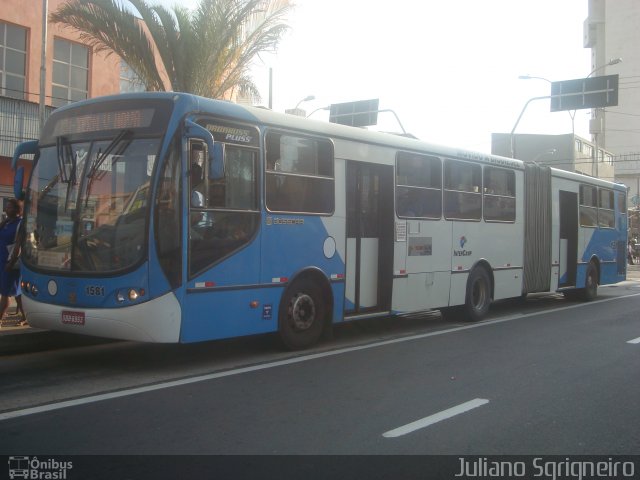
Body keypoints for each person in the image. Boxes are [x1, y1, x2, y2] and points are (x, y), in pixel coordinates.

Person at [0, 199, 25, 326]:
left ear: (18, 210)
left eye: (9, 207)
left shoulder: (21, 224)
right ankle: (25, 315)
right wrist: (5, 221)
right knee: (16, 292)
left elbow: (18, 246)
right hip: (2, 259)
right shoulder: (7, 223)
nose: (6, 209)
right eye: (7, 207)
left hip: (11, 262)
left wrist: (11, 262)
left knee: (5, 292)